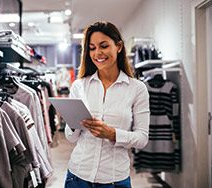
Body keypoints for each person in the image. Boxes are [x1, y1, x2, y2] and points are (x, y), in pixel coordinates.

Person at [64, 21, 150, 188]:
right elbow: (71, 138)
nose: (98, 53)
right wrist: (74, 122)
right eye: (92, 48)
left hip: (114, 179)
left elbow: (142, 138)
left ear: (118, 46)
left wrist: (112, 134)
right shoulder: (79, 86)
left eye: (103, 46)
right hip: (77, 176)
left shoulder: (137, 89)